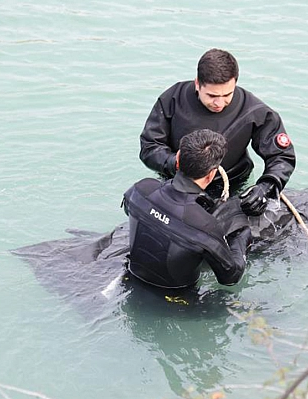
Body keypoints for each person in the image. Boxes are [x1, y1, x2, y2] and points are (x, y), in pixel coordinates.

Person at [139, 48, 296, 216]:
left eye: (227, 94)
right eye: (212, 95)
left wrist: (265, 187)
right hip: (178, 179)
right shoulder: (172, 99)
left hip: (231, 182)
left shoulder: (255, 111)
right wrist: (174, 162)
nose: (219, 103)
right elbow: (149, 146)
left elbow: (282, 156)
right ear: (197, 83)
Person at [122, 129, 252, 289]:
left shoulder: (141, 189)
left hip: (131, 276)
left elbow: (129, 210)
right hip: (178, 297)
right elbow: (231, 277)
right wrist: (242, 236)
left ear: (177, 158)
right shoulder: (205, 226)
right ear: (211, 175)